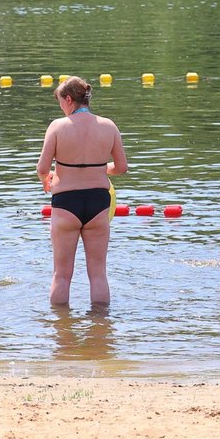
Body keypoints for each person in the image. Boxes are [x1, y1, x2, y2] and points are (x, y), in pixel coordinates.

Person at [36, 76, 128, 306]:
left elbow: (42, 168)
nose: (60, 107)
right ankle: (100, 331)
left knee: (61, 275)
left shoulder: (57, 127)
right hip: (98, 202)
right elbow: (121, 168)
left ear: (69, 99)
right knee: (98, 274)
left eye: (60, 102)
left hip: (66, 202)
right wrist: (99, 168)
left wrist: (46, 180)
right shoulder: (109, 126)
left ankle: (61, 330)